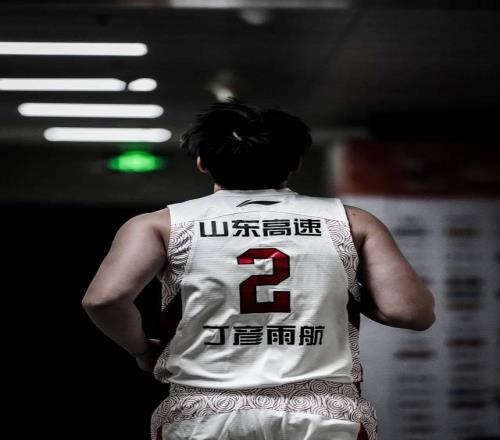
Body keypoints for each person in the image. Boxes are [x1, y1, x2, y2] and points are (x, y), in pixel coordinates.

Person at [82, 99, 435, 440]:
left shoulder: (160, 224)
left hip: (205, 411)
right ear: (294, 162)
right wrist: (344, 289)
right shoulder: (351, 221)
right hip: (321, 410)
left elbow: (104, 300)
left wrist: (141, 350)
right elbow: (410, 312)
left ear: (202, 162)